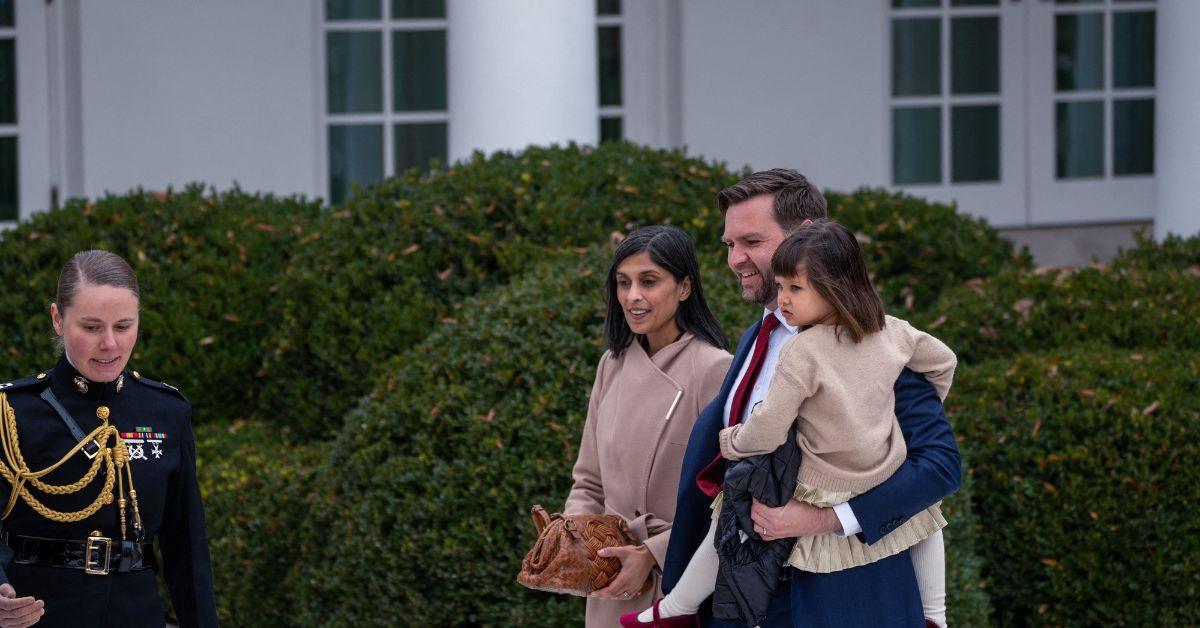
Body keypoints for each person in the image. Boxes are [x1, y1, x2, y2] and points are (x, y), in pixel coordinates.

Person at [661, 169, 962, 628]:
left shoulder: (875, 342)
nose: (735, 259)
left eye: (752, 242)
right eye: (729, 245)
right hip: (742, 603)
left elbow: (939, 465)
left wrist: (826, 519)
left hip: (846, 604)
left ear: (805, 237)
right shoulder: (753, 338)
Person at [0, 250, 217, 628]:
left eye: (123, 326)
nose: (110, 345)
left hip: (136, 615)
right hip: (38, 617)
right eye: (91, 327)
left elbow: (187, 548)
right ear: (57, 319)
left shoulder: (166, 411)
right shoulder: (11, 414)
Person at [562, 226, 732, 627]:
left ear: (685, 287)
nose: (633, 296)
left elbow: (729, 497)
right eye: (623, 283)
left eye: (649, 281)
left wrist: (652, 553)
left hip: (677, 577)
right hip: (607, 577)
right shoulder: (612, 364)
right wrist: (576, 542)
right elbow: (588, 481)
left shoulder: (715, 368)